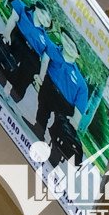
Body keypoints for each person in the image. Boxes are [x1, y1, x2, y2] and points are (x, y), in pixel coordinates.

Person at [34, 33, 92, 163]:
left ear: (77, 55)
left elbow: (79, 108)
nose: (70, 47)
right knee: (42, 109)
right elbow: (45, 61)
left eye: (73, 47)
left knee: (61, 127)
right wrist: (40, 78)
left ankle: (55, 153)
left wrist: (75, 121)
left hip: (65, 104)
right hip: (49, 89)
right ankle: (38, 129)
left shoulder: (81, 84)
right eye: (69, 43)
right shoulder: (54, 50)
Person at [0, 0, 49, 102]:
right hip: (17, 40)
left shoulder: (46, 39)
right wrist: (7, 34)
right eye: (44, 14)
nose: (45, 19)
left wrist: (41, 76)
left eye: (48, 20)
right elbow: (13, 19)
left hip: (31, 54)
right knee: (6, 63)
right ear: (37, 7)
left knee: (24, 77)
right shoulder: (22, 8)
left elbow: (45, 59)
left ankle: (13, 98)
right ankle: (0, 84)